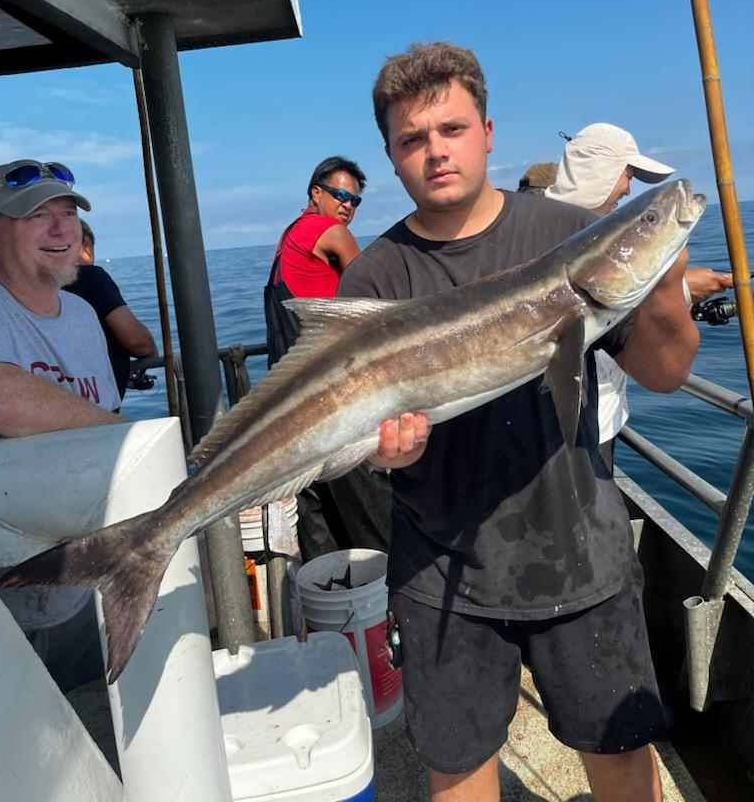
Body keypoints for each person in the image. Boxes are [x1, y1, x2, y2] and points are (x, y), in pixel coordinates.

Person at [338, 43, 699, 802]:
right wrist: (383, 452)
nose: (436, 151)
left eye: (453, 128)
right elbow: (358, 434)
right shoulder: (376, 276)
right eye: (412, 138)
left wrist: (661, 278)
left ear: (488, 132)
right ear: (392, 156)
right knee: (456, 767)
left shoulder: (566, 233)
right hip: (440, 572)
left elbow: (665, 373)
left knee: (621, 752)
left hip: (582, 552)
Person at [0, 158, 124, 690]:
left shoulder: (83, 315)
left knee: (98, 708)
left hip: (91, 568)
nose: (62, 229)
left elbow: (106, 414)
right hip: (9, 588)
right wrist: (132, 440)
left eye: (68, 213)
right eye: (36, 216)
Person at [546, 123, 733, 463]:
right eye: (627, 174)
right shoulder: (547, 241)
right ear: (599, 171)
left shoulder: (576, 241)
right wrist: (677, 288)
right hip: (571, 443)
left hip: (594, 425)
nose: (628, 189)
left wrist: (674, 288)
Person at [264, 156, 392, 561]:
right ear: (315, 192)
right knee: (367, 497)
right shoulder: (329, 231)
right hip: (332, 389)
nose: (347, 206)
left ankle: (334, 587)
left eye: (355, 201)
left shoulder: (289, 237)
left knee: (317, 507)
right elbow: (375, 293)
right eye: (339, 195)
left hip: (293, 390)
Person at [66, 220, 158, 400]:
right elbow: (138, 341)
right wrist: (150, 352)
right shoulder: (90, 277)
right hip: (93, 403)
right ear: (86, 249)